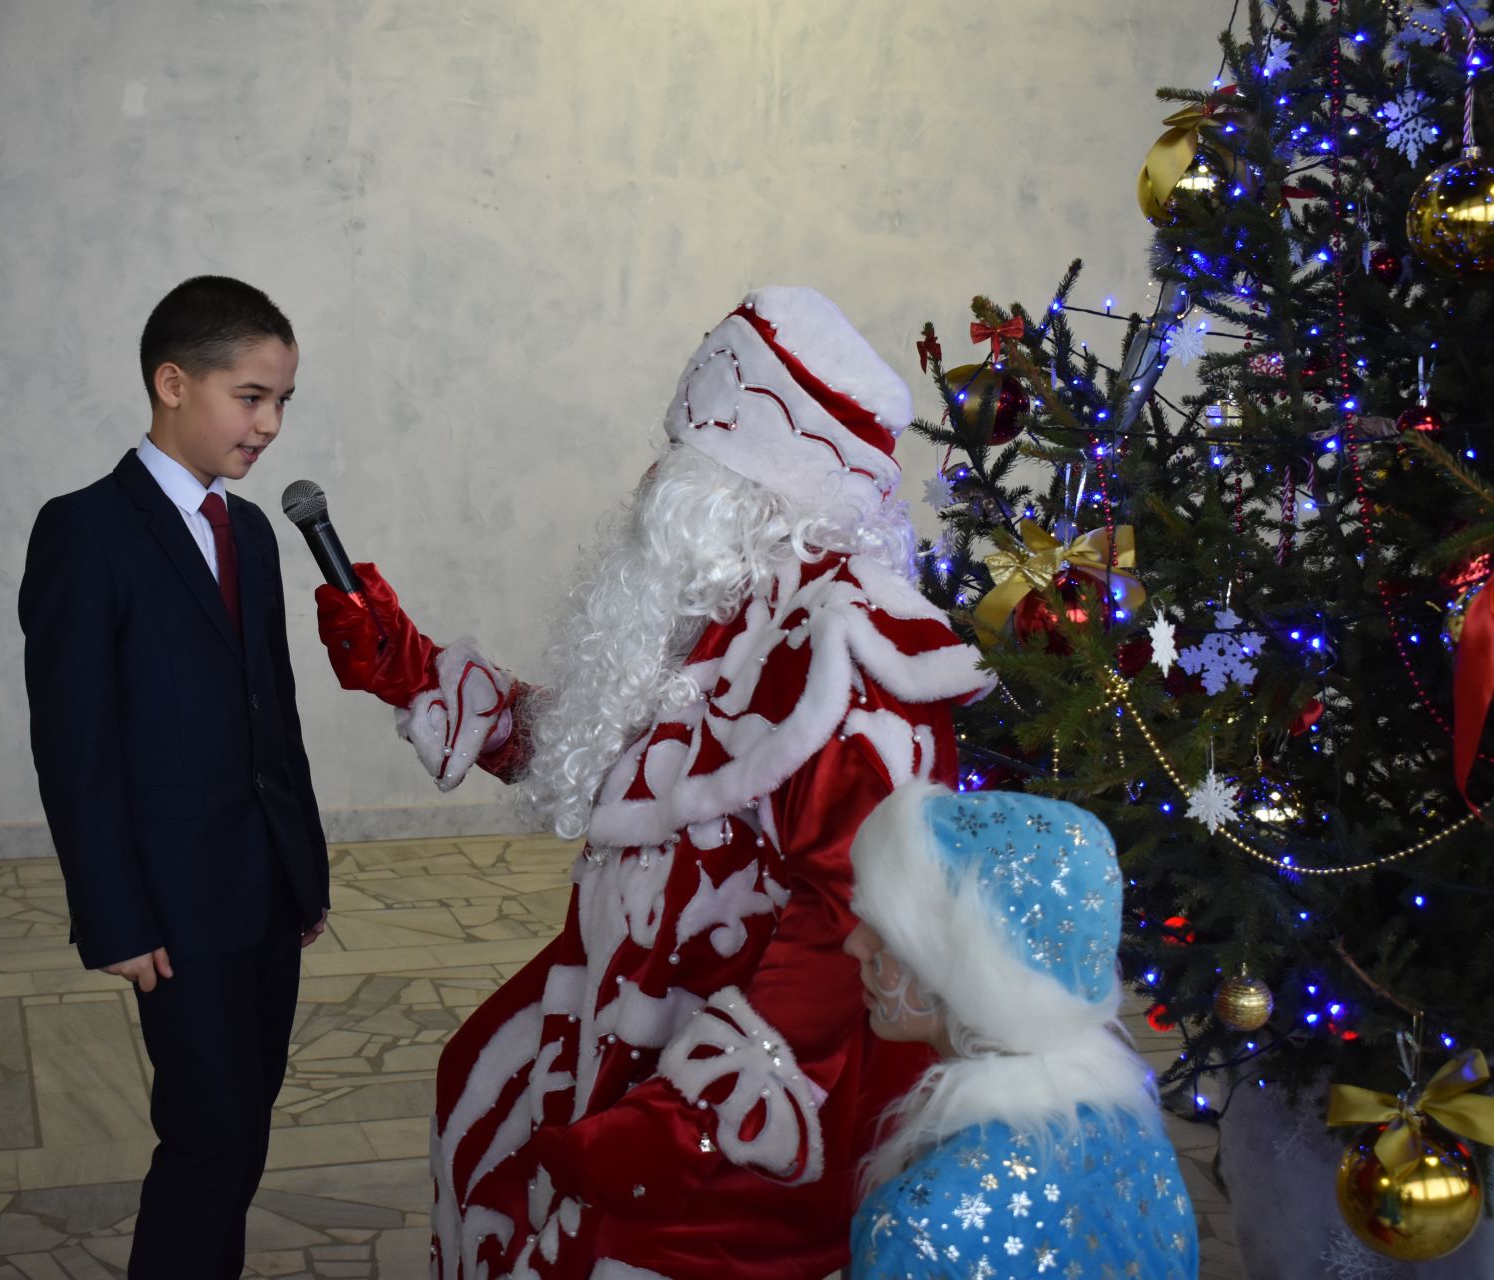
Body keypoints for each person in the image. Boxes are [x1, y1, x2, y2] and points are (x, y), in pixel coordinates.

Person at [316, 286, 998, 1278]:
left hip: (752, 1082)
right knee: (482, 1096)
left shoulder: (851, 650)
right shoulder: (735, 608)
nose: (650, 479)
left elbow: (852, 916)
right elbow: (614, 756)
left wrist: (689, 1119)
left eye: (681, 455)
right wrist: (415, 669)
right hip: (625, 1005)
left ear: (755, 480)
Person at [18, 275, 330, 1279]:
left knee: (243, 1123)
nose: (270, 423)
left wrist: (303, 871)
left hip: (264, 892)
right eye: (251, 396)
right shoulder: (88, 531)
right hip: (173, 904)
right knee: (208, 1135)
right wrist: (113, 911)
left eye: (282, 400)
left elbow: (270, 717)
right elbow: (76, 742)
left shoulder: (252, 535)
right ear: (171, 382)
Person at [843, 781, 1199, 1279]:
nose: (854, 946)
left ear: (970, 971)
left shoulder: (916, 1229)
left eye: (888, 927)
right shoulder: (1137, 1132)